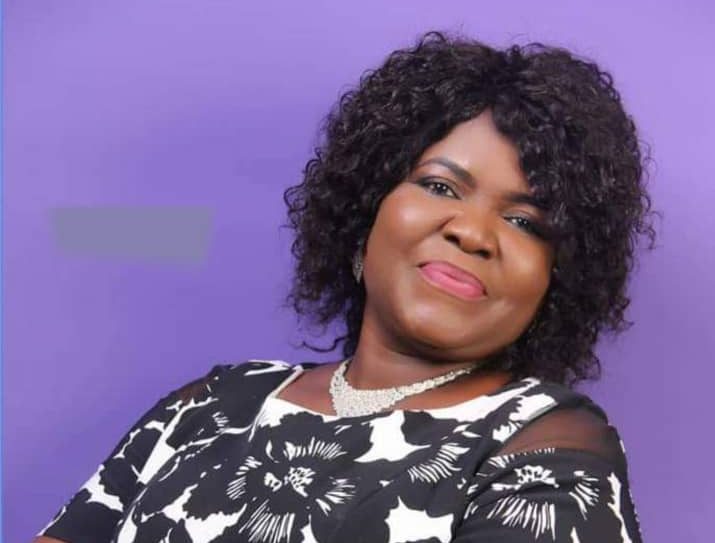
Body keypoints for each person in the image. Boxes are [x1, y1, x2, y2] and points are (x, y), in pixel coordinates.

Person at [35, 30, 656, 543]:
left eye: (524, 222)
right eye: (439, 186)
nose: (472, 232)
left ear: (557, 278)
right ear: (365, 214)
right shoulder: (209, 406)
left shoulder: (549, 448)